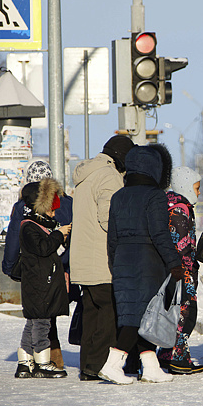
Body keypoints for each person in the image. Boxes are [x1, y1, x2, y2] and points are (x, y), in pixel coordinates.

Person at [101, 145, 180, 384]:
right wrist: (174, 263)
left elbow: (111, 237)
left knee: (140, 316)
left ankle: (150, 367)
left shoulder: (118, 196)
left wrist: (116, 263)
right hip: (148, 261)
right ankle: (113, 365)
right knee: (140, 316)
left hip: (124, 259)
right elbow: (160, 234)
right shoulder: (155, 196)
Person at [70, 135, 135, 380]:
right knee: (108, 313)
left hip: (83, 258)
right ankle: (99, 366)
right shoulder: (109, 176)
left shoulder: (86, 176)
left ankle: (88, 365)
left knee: (91, 313)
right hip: (101, 260)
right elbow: (110, 219)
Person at [3, 160, 73, 370]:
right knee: (45, 312)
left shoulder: (22, 207)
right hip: (60, 266)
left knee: (38, 313)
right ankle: (48, 355)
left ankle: (39, 357)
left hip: (35, 268)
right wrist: (67, 265)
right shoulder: (66, 203)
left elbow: (14, 238)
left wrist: (10, 266)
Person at [158, 166, 203, 375]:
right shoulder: (180, 209)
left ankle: (166, 353)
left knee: (173, 311)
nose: (199, 193)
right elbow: (182, 243)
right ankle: (180, 359)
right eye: (196, 188)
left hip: (170, 270)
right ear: (185, 187)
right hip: (182, 270)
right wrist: (190, 267)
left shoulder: (168, 204)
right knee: (184, 313)